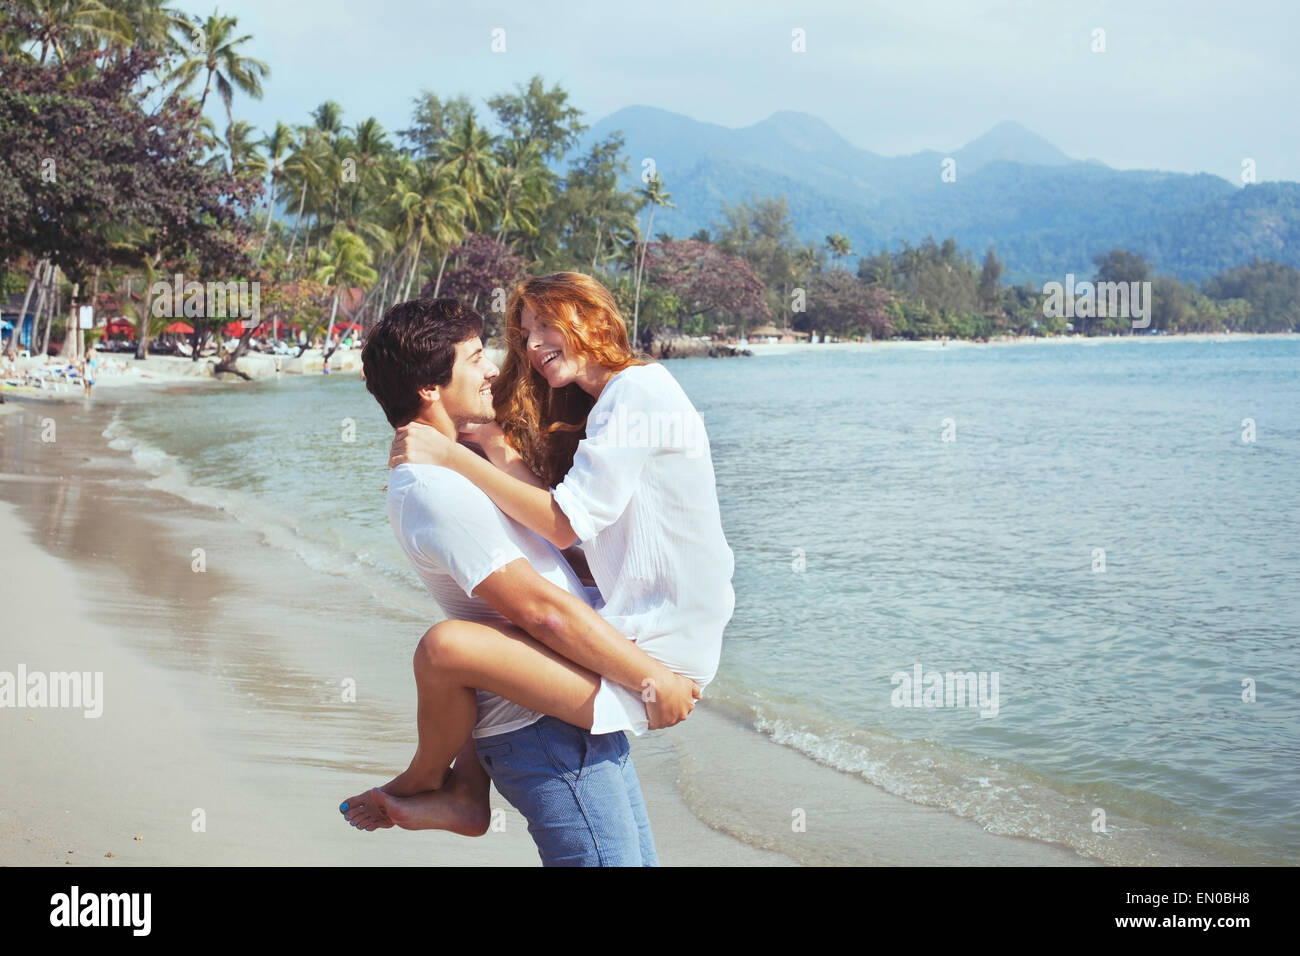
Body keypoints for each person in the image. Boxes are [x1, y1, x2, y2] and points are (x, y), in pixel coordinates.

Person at [342, 297, 698, 865]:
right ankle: (448, 788)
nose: (494, 369)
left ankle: (460, 792)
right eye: (476, 357)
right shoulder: (432, 489)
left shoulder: (460, 464)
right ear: (430, 388)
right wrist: (655, 680)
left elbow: (556, 557)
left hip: (566, 708)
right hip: (539, 729)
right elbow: (540, 610)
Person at [388, 273, 735, 734]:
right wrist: (493, 442)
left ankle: (437, 787)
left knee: (458, 646)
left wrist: (450, 455)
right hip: (652, 625)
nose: (532, 345)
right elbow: (563, 523)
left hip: (662, 642)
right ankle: (453, 791)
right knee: (494, 644)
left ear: (591, 318)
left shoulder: (638, 392)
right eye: (526, 334)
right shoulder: (614, 398)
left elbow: (562, 525)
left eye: (546, 325)